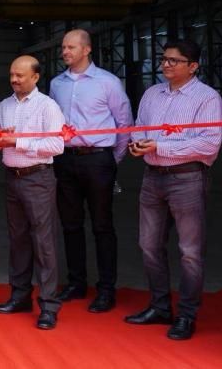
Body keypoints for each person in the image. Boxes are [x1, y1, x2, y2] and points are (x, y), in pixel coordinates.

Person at [125, 39, 222, 341]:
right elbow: (140, 126)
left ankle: (186, 315)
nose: (166, 65)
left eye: (174, 61)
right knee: (148, 245)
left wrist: (160, 146)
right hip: (152, 177)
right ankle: (160, 307)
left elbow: (208, 144)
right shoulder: (152, 94)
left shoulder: (207, 98)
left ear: (193, 66)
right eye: (164, 59)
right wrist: (138, 144)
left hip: (187, 179)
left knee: (190, 252)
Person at [48, 29, 133, 312]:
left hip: (98, 160)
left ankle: (106, 289)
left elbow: (124, 123)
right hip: (65, 159)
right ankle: (76, 283)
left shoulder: (107, 82)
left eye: (71, 47)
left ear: (87, 50)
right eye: (63, 47)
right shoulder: (56, 84)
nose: (65, 52)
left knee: (102, 226)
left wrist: (113, 159)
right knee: (70, 224)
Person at [0, 55, 64, 330]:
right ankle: (20, 296)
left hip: (38, 178)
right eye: (12, 74)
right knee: (18, 240)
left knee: (43, 243)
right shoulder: (4, 105)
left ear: (35, 77)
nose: (14, 79)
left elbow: (57, 146)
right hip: (12, 178)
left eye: (20, 75)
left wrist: (17, 142)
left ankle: (48, 305)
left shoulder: (48, 106)